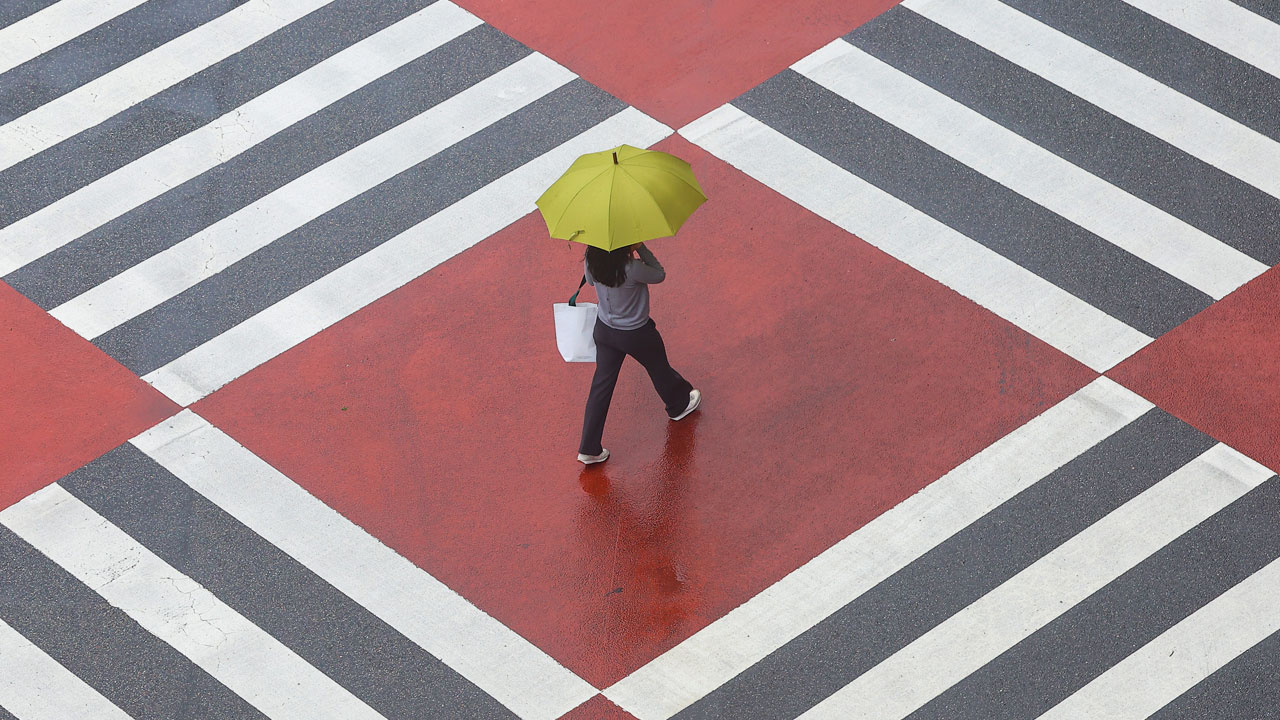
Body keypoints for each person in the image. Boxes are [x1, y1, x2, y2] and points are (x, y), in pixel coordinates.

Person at [578, 242, 700, 464]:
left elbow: (590, 280)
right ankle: (679, 405)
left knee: (601, 387)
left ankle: (588, 447)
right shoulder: (632, 268)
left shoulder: (592, 258)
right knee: (658, 368)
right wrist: (641, 247)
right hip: (636, 333)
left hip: (604, 330)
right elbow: (659, 274)